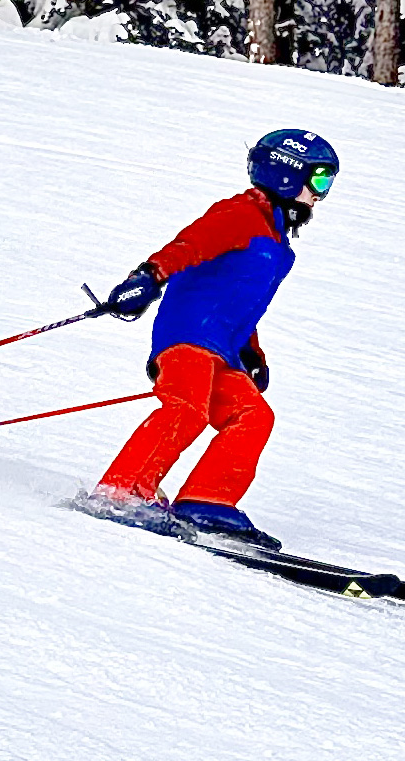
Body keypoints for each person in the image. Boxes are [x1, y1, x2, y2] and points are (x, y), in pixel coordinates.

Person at [85, 129, 339, 549]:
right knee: (186, 409)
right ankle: (121, 491)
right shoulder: (240, 214)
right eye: (319, 179)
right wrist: (149, 276)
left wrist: (251, 352)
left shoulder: (277, 245)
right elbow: (189, 245)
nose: (321, 194)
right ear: (287, 174)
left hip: (224, 349)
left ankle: (207, 500)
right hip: (188, 338)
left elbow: (240, 303)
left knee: (253, 416)